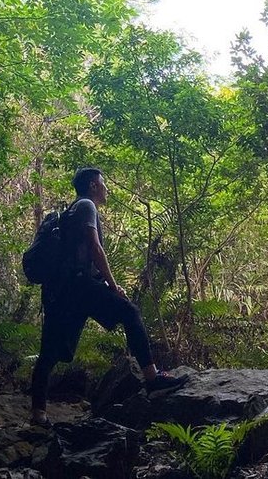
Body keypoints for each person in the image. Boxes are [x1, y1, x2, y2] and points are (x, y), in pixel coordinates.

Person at [30, 167, 186, 427]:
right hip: (82, 288)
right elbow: (95, 247)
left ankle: (38, 414)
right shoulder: (87, 207)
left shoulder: (71, 210)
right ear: (92, 185)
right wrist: (113, 285)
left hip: (62, 291)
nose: (106, 189)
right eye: (103, 184)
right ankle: (152, 378)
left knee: (50, 353)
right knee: (130, 312)